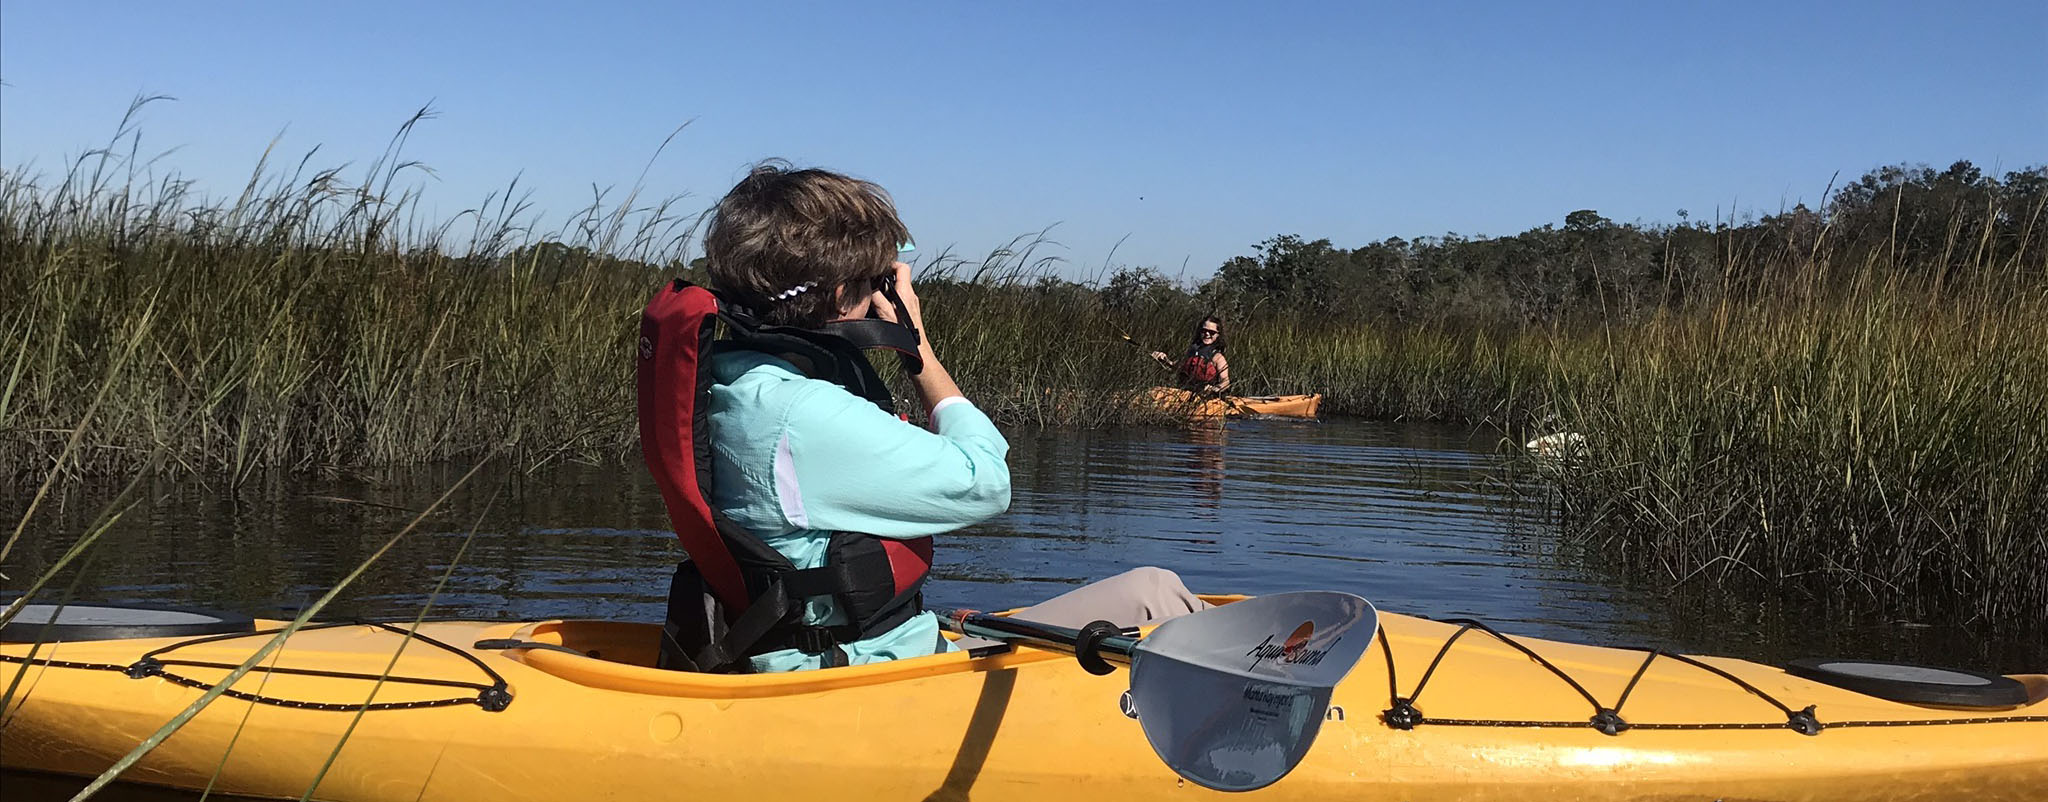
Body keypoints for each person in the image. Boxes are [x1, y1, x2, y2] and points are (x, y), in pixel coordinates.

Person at [647, 162, 1207, 673]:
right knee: (1160, 593)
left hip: (803, 653)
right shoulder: (801, 415)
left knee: (1154, 592)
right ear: (843, 294)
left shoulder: (732, 380)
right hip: (869, 679)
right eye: (876, 279)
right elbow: (987, 483)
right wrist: (920, 350)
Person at [1150, 317, 1231, 394]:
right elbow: (1174, 367)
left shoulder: (1218, 357)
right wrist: (1163, 359)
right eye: (1204, 330)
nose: (1207, 334)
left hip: (1206, 397)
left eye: (1212, 332)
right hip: (1184, 392)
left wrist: (1215, 388)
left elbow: (1225, 381)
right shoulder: (1191, 351)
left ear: (1218, 335)